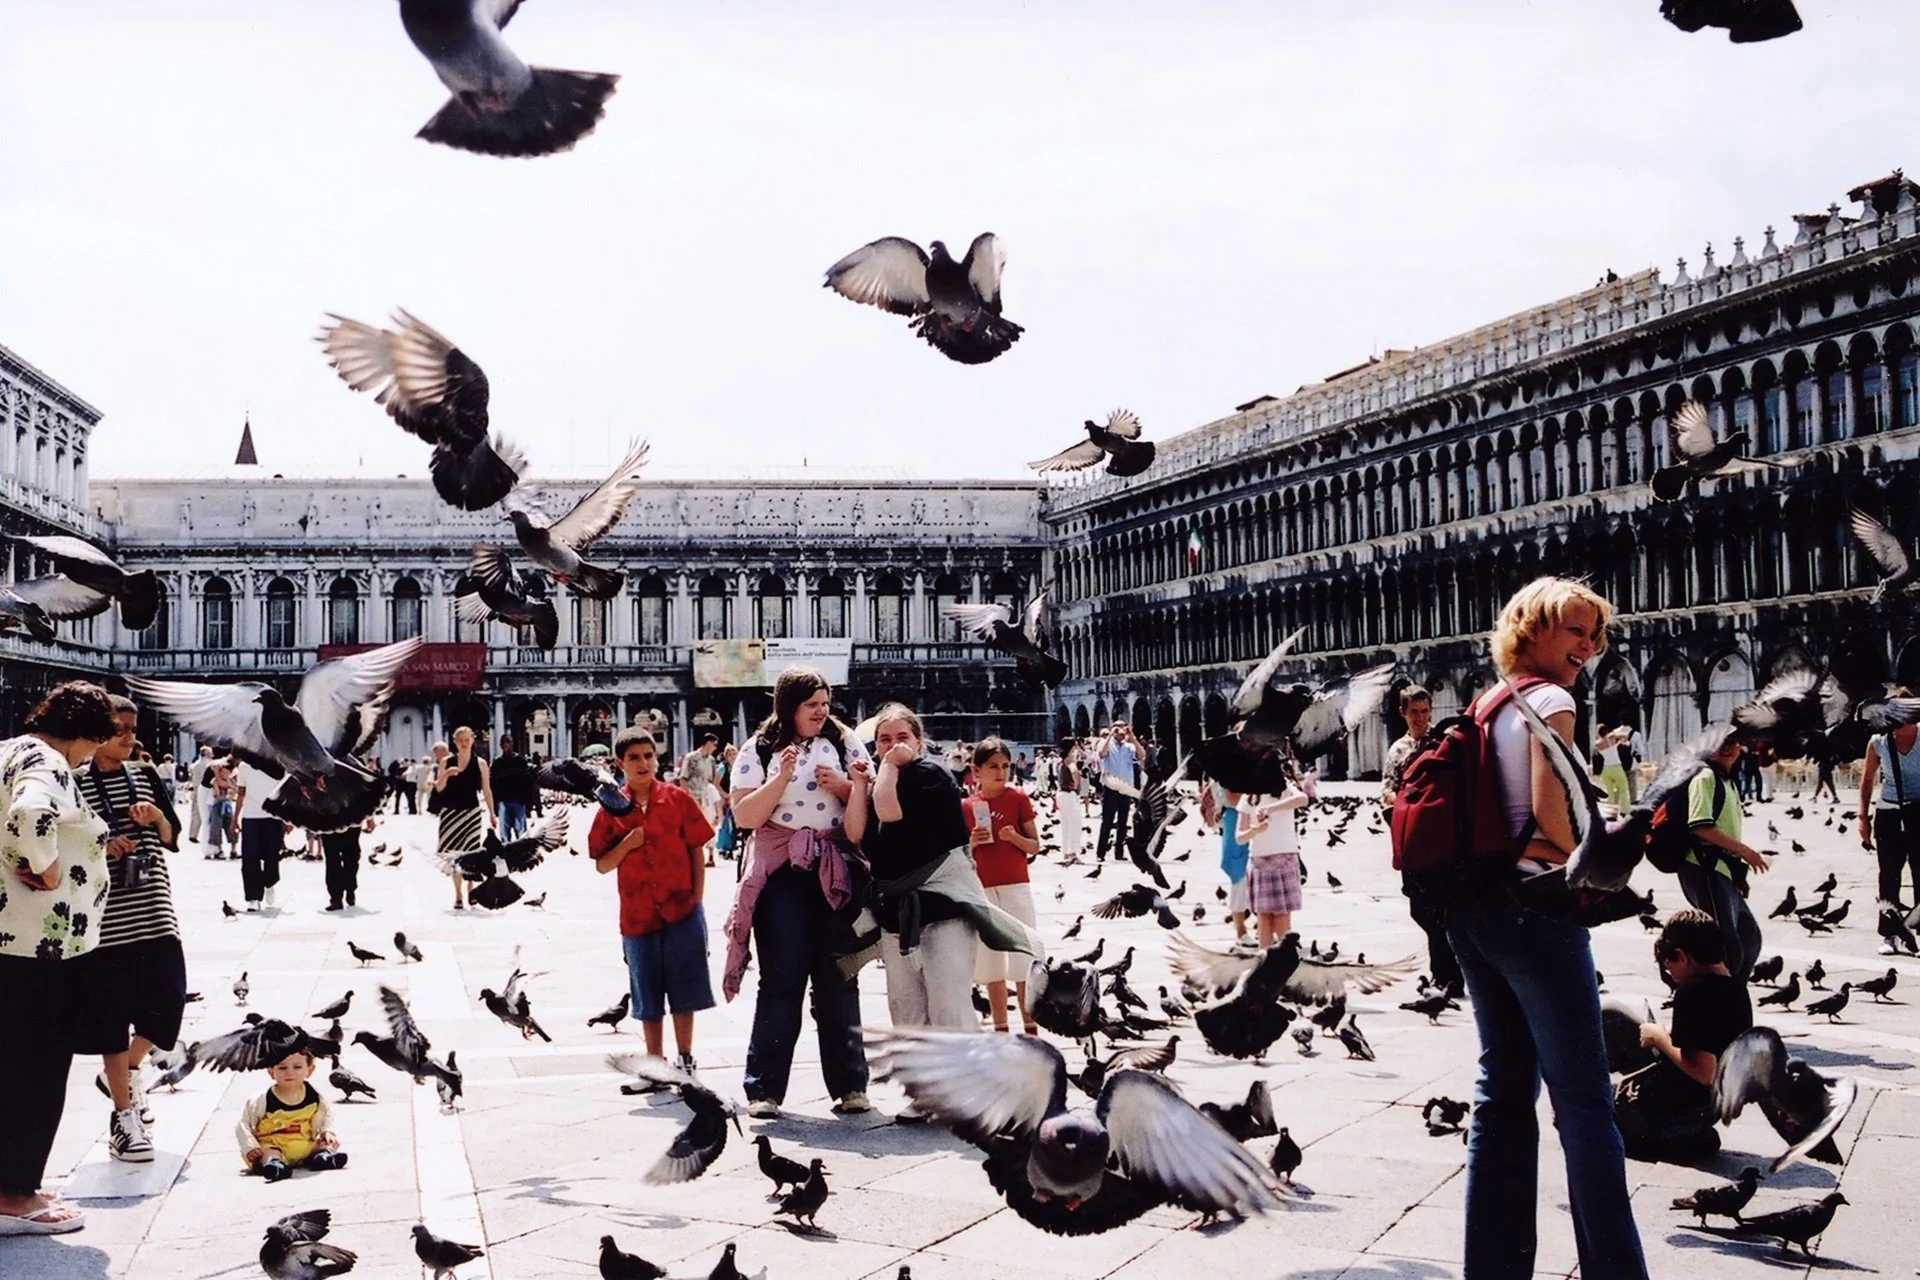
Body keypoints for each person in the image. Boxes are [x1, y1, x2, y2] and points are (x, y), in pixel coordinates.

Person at [1433, 577, 1650, 1280]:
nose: (1588, 646)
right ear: (1532, 629)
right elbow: (1553, 823)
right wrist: (1601, 853)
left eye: (1595, 633)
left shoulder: (1489, 699)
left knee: (1501, 1092)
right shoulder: (1553, 701)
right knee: (1586, 1104)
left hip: (1475, 911)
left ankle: (1492, 1269)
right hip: (1535, 909)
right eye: (1574, 631)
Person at [722, 668, 873, 1119]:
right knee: (781, 980)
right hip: (783, 873)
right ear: (789, 706)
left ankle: (850, 1085)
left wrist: (852, 786)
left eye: (825, 703)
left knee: (840, 979)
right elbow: (746, 816)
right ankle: (763, 1089)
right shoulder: (760, 748)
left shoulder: (846, 745)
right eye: (812, 704)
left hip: (835, 869)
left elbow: (857, 826)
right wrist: (780, 778)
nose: (821, 712)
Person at [0, 681, 116, 1237]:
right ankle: (17, 1195)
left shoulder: (7, 750)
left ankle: (10, 1185)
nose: (90, 759)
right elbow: (29, 813)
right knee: (37, 1069)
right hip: (39, 945)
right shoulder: (47, 760)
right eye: (93, 747)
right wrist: (44, 864)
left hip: (9, 938)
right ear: (86, 735)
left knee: (11, 1063)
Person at [72, 695, 186, 1164]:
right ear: (97, 733)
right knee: (111, 1021)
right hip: (105, 920)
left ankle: (126, 1072)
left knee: (169, 1007)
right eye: (119, 728)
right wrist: (102, 845)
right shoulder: (74, 782)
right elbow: (67, 843)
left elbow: (174, 836)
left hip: (154, 910)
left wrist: (156, 818)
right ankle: (124, 1116)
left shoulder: (146, 775)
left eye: (132, 728)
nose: (129, 736)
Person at [591, 728, 716, 1074]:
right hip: (638, 914)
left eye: (648, 755)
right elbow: (602, 864)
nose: (643, 763)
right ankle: (656, 1063)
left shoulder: (677, 799)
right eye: (633, 757)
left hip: (681, 908)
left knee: (684, 988)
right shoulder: (611, 808)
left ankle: (686, 1058)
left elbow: (695, 849)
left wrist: (698, 901)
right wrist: (628, 844)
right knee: (646, 993)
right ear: (620, 763)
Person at [1614, 910, 1752, 1164]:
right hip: (1711, 1106)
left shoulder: (1692, 991)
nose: (1671, 977)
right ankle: (1688, 1134)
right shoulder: (1737, 989)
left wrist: (1658, 1037)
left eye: (1669, 968)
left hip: (1677, 1101)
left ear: (1681, 956)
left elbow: (1704, 1071)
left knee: (1597, 1117)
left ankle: (1673, 1137)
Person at [1381, 686, 1461, 992]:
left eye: (1426, 711)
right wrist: (1405, 800)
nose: (1421, 718)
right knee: (1421, 909)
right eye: (1414, 712)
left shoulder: (1441, 742)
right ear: (1403, 713)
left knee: (1444, 908)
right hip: (1413, 835)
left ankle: (1448, 975)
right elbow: (1386, 790)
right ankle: (1446, 972)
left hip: (1442, 835)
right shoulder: (1398, 750)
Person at [1677, 735, 1768, 982]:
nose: (1728, 748)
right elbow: (1700, 826)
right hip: (1704, 867)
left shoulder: (1726, 779)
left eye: (1734, 743)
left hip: (1721, 868)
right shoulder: (1705, 777)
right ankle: (1721, 1000)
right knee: (1726, 946)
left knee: (1749, 938)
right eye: (1722, 743)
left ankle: (1731, 995)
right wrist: (1745, 852)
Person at [966, 737, 1041, 1033]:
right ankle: (1000, 1028)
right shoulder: (967, 806)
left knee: (1023, 958)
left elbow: (1035, 846)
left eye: (1006, 766)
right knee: (991, 963)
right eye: (993, 766)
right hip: (982, 890)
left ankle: (1030, 1025)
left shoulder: (1018, 798)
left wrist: (1014, 838)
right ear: (976, 770)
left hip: (1016, 885)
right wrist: (972, 842)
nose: (1001, 772)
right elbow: (960, 857)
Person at [236, 1048, 347, 1181]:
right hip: (275, 1144)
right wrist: (250, 1147)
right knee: (268, 1153)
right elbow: (243, 1124)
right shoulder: (262, 1100)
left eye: (297, 1067)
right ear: (271, 1071)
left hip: (305, 1143)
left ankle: (324, 1156)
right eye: (282, 1068)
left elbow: (326, 1114)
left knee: (326, 1142)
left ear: (310, 1070)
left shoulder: (313, 1095)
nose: (290, 1072)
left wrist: (327, 1131)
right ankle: (275, 1165)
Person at [1859, 708, 1920, 941]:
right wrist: (1863, 818)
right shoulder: (1879, 742)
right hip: (1889, 812)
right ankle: (1889, 933)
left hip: (1919, 810)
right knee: (1889, 876)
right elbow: (1866, 781)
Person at [1238, 777, 1310, 949]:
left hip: (1284, 857)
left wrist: (1270, 808)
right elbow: (1239, 837)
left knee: (1282, 917)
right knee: (1263, 917)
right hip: (1259, 860)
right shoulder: (1249, 796)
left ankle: (1285, 962)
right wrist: (1254, 831)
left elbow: (1303, 799)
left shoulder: (1285, 787)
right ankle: (1265, 961)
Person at [434, 728, 494, 911]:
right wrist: (446, 774)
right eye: (460, 740)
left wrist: (492, 813)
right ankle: (458, 894)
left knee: (471, 854)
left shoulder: (481, 763)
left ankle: (471, 889)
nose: (464, 743)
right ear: (455, 742)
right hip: (450, 814)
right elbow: (439, 789)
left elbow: (486, 789)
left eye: (467, 739)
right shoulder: (446, 761)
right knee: (454, 856)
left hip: (472, 814)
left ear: (472, 740)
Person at [232, 759, 284, 912]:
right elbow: (241, 793)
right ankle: (253, 898)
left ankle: (270, 882)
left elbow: (284, 792)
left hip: (273, 817)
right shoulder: (244, 766)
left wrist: (288, 819)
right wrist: (235, 818)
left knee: (272, 856)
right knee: (249, 857)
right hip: (251, 816)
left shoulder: (278, 764)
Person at [1092, 721, 1141, 862]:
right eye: (1118, 728)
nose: (1121, 731)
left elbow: (1142, 755)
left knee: (1123, 822)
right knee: (1107, 821)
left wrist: (1133, 737)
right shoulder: (1106, 743)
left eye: (1123, 727)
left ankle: (1119, 852)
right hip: (1111, 788)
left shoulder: (1129, 746)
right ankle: (1100, 853)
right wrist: (1110, 735)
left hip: (1125, 788)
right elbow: (1101, 754)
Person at [681, 734, 722, 861]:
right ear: (707, 743)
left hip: (706, 797)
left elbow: (711, 781)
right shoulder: (691, 758)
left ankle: (710, 856)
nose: (715, 748)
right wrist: (687, 798)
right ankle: (692, 855)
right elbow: (683, 778)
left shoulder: (711, 760)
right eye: (714, 744)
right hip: (693, 796)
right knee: (692, 827)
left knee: (710, 825)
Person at [322, 817, 372, 912]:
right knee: (346, 858)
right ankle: (345, 892)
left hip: (331, 819)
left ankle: (340, 895)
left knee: (337, 859)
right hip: (345, 819)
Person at [490, 736, 532, 840]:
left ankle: (522, 853)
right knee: (504, 831)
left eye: (508, 742)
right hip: (503, 800)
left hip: (519, 800)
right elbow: (493, 784)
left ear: (513, 744)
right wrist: (495, 803)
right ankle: (506, 853)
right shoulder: (497, 764)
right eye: (504, 743)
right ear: (501, 746)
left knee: (521, 829)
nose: (506, 745)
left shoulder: (521, 762)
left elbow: (528, 782)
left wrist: (528, 801)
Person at [1056, 737, 1087, 866]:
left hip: (1061, 794)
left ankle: (1066, 852)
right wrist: (1076, 783)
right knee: (1075, 824)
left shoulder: (1061, 761)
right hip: (1069, 794)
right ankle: (1073, 853)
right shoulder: (1070, 760)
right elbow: (1074, 771)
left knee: (1066, 825)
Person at [1594, 726, 1632, 813]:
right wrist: (1616, 734)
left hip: (1606, 769)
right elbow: (1625, 735)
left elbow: (1609, 748)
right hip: (1616, 767)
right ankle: (1625, 811)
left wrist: (1617, 744)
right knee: (1623, 790)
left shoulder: (1597, 743)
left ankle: (1611, 811)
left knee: (1611, 793)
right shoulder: (1610, 738)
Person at [206, 753, 238, 859]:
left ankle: (234, 849)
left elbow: (235, 792)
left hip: (227, 806)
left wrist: (229, 790)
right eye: (223, 772)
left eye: (227, 772)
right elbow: (217, 794)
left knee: (231, 827)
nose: (225, 774)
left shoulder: (232, 780)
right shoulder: (215, 781)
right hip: (217, 806)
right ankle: (219, 850)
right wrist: (228, 793)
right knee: (216, 827)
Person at [187, 745, 214, 845]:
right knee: (209, 813)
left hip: (196, 789)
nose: (212, 755)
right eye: (211, 753)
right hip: (207, 790)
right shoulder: (210, 765)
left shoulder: (194, 765)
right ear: (207, 754)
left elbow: (190, 778)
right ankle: (208, 835)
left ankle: (193, 834)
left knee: (195, 813)